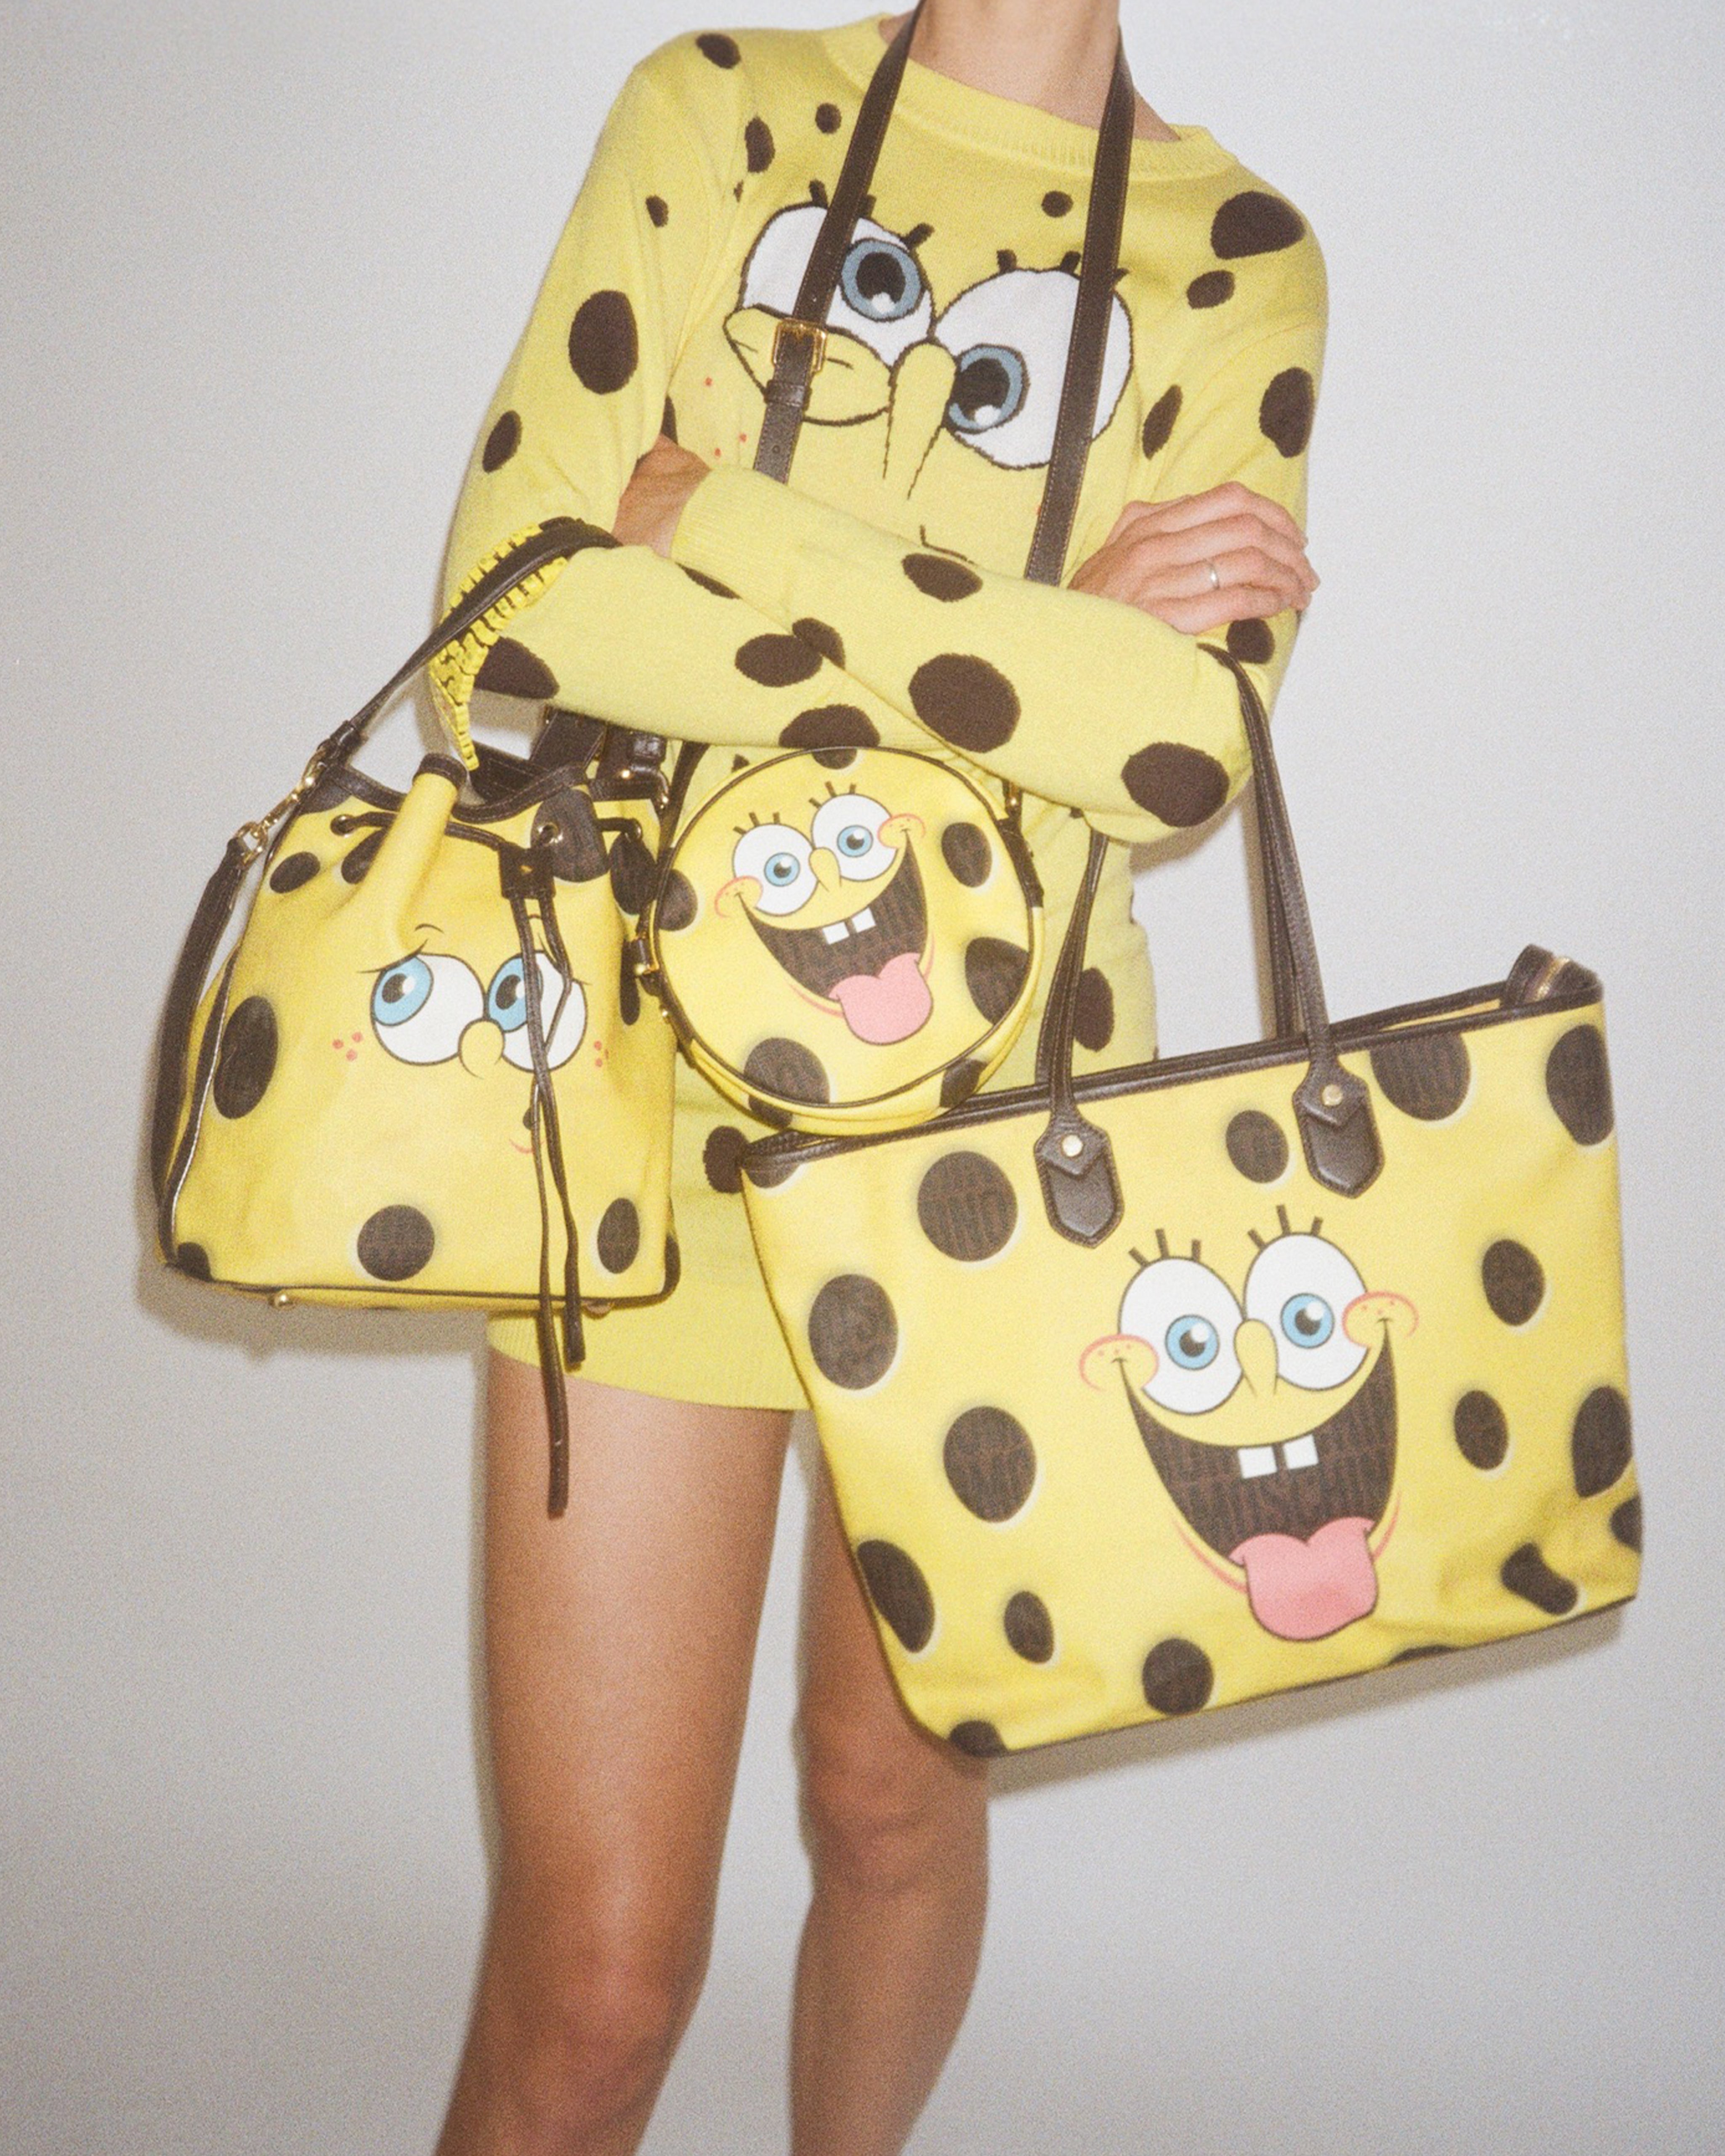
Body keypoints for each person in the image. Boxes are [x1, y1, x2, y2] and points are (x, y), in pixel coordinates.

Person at [433, 4, 1322, 2150]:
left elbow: (1176, 750)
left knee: (891, 1808)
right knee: (596, 1986)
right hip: (640, 1126)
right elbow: (504, 623)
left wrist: (729, 526)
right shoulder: (721, 113)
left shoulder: (1235, 251)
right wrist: (1051, 635)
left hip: (1012, 1153)